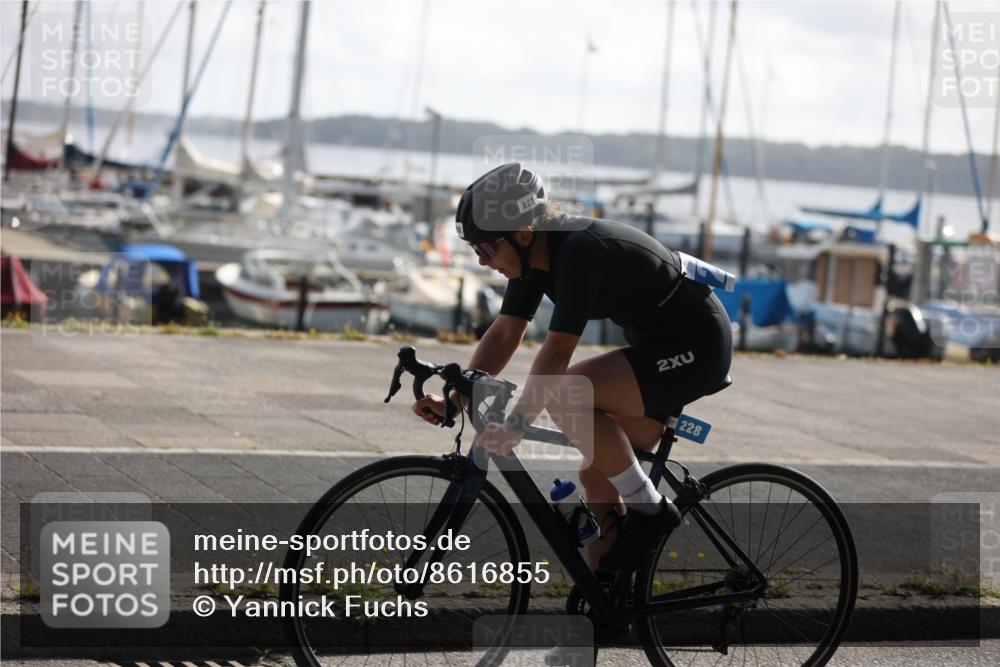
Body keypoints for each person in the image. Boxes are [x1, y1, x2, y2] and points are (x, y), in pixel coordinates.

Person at [412, 162, 732, 572]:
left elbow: (558, 352)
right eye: (476, 250)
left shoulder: (579, 251)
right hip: (655, 347)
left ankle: (653, 512)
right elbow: (506, 332)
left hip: (696, 345)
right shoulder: (531, 259)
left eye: (487, 248)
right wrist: (456, 400)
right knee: (600, 479)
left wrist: (518, 423)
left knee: (567, 392)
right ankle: (608, 605)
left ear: (524, 232)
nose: (481, 261)